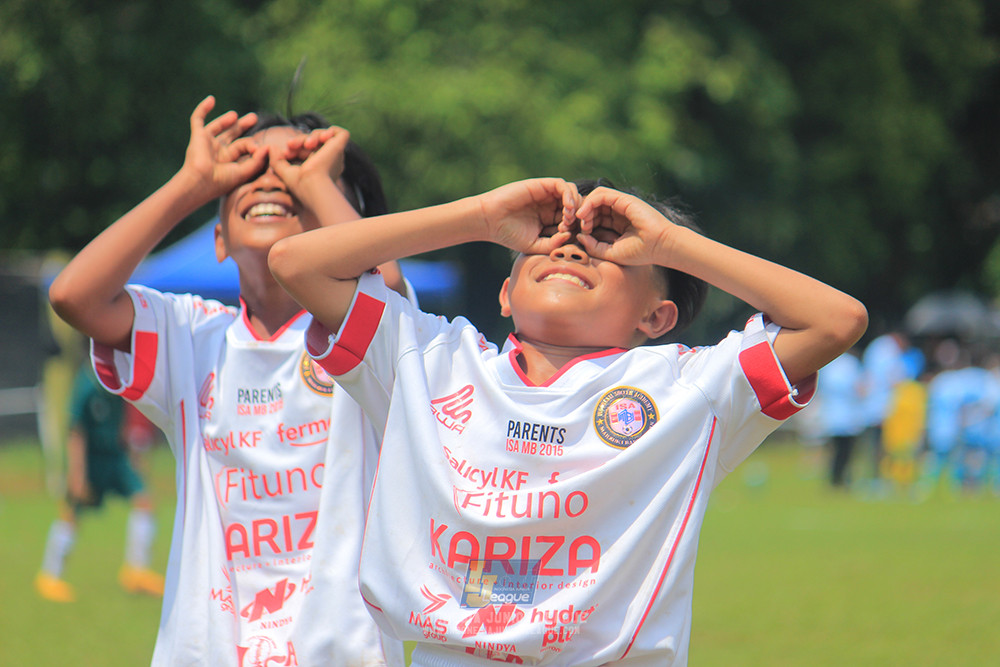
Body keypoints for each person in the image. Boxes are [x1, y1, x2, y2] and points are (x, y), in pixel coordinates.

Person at [268, 177, 868, 665]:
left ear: (657, 318)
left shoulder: (689, 389)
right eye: (548, 240)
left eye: (609, 246)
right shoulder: (428, 359)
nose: (572, 248)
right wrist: (477, 216)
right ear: (505, 294)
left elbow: (836, 321)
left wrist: (670, 244)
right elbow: (296, 261)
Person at [48, 96, 406, 666]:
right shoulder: (192, 337)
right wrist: (190, 184)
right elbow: (74, 295)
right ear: (218, 239)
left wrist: (315, 180)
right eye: (250, 173)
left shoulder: (364, 344)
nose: (272, 182)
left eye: (296, 173)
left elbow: (386, 289)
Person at [36, 361, 164, 603]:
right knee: (72, 511)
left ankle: (136, 571)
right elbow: (75, 430)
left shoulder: (121, 381)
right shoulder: (86, 384)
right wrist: (77, 474)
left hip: (116, 455)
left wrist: (133, 456)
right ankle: (49, 576)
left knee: (144, 500)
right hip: (90, 459)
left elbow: (123, 421)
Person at [816, 349, 866, 488]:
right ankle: (841, 479)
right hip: (848, 415)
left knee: (835, 451)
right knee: (846, 452)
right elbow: (859, 388)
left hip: (832, 415)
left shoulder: (828, 364)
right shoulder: (851, 363)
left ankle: (835, 479)